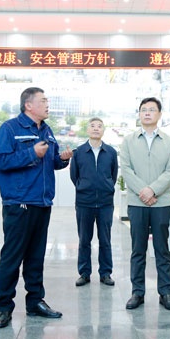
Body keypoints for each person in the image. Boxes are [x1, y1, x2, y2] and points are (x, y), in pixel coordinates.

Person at [0, 87, 73, 328]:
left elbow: (52, 162)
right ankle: (4, 307)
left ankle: (35, 302)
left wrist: (63, 159)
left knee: (36, 257)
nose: (48, 104)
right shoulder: (10, 129)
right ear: (29, 105)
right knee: (12, 256)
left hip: (42, 202)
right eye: (43, 100)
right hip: (19, 203)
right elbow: (2, 161)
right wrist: (31, 153)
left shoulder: (46, 130)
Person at [120, 97, 170, 311]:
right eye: (143, 109)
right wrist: (143, 191)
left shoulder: (169, 141)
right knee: (138, 249)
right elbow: (126, 169)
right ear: (139, 114)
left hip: (161, 202)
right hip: (137, 202)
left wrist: (153, 190)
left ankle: (166, 293)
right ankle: (137, 292)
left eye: (152, 110)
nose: (147, 113)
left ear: (159, 114)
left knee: (162, 249)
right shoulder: (128, 140)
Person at [70, 117, 118, 287]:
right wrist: (84, 187)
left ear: (103, 130)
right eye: (93, 126)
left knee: (105, 240)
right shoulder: (79, 152)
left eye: (99, 126)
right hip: (84, 203)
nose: (96, 128)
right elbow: (74, 176)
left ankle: (105, 273)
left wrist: (106, 187)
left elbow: (113, 175)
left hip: (105, 203)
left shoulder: (111, 152)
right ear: (87, 130)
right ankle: (84, 273)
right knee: (84, 240)